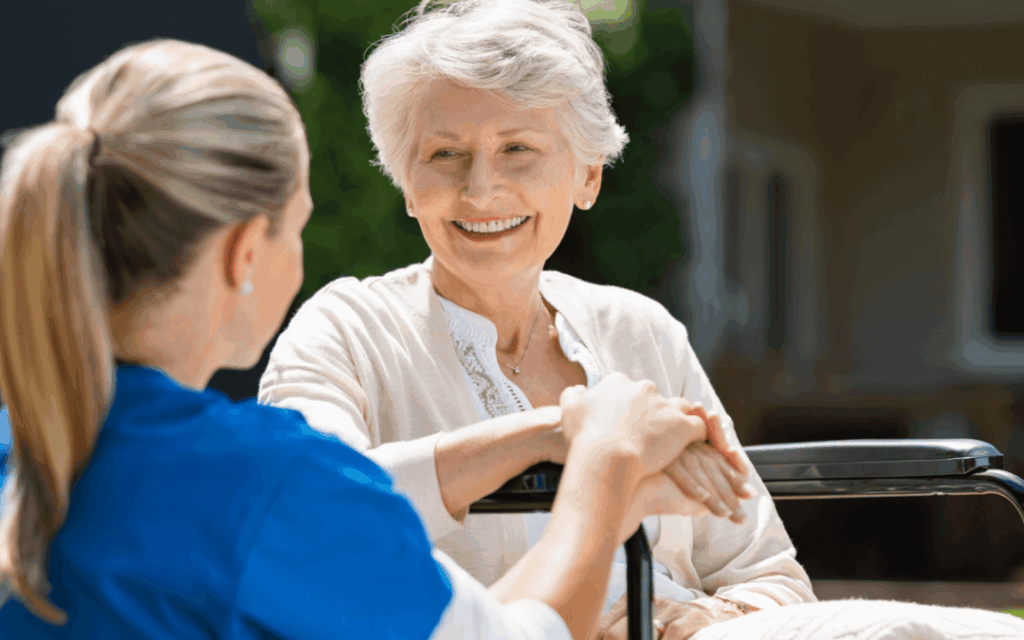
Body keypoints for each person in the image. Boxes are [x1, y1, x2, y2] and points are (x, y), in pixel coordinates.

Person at [0, 38, 725, 639]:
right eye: (301, 223)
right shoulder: (268, 484)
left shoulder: (33, 443)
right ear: (246, 254)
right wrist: (605, 457)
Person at [256, 1, 810, 638]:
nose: (480, 190)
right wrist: (564, 432)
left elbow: (771, 576)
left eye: (517, 148)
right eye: (443, 155)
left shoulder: (642, 331)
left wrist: (695, 617)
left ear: (587, 176)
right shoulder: (343, 331)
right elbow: (307, 512)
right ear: (407, 184)